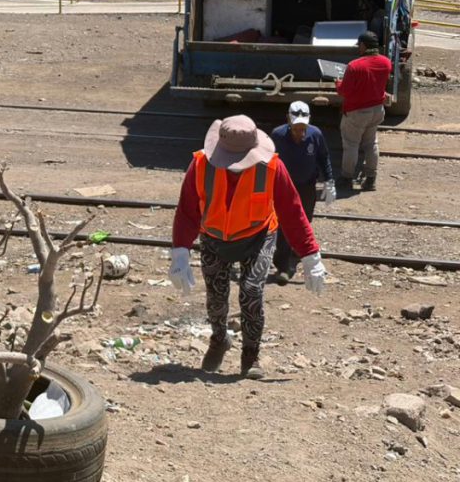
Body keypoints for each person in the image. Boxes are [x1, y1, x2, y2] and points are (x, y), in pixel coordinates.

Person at [168, 115, 326, 379]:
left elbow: (292, 211)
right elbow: (187, 210)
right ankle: (220, 339)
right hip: (213, 237)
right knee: (216, 298)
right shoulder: (200, 165)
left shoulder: (272, 167)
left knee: (252, 291)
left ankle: (250, 355)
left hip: (258, 235)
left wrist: (310, 255)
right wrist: (180, 252)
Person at [270, 101, 335, 286]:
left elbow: (323, 157)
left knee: (304, 221)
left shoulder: (315, 135)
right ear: (288, 121)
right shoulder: (277, 135)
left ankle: (296, 254)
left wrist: (329, 180)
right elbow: (267, 159)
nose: (300, 132)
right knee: (284, 224)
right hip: (284, 187)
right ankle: (283, 266)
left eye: (303, 128)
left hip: (307, 186)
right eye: (296, 128)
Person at [336, 30, 392, 191]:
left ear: (363, 45)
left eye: (359, 45)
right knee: (371, 143)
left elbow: (344, 92)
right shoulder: (386, 62)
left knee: (351, 145)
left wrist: (338, 83)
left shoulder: (354, 66)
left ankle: (347, 178)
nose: (358, 48)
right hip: (377, 110)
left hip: (357, 112)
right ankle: (371, 179)